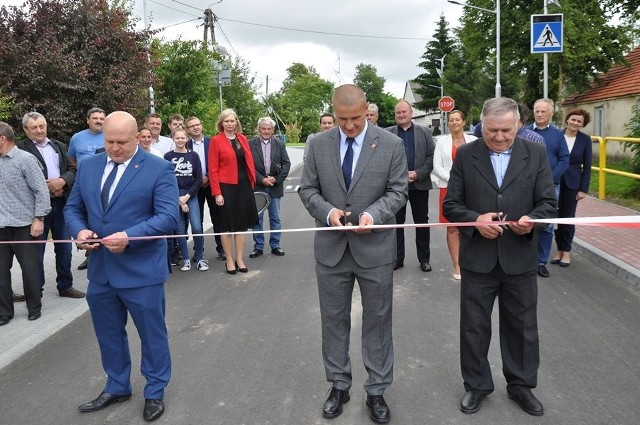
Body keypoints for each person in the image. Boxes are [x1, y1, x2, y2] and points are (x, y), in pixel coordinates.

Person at [299, 84, 408, 423]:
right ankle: (339, 384)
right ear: (333, 111)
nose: (349, 126)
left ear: (367, 110)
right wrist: (327, 212)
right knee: (333, 320)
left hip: (374, 249)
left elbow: (398, 190)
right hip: (331, 251)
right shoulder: (318, 144)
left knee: (377, 320)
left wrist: (374, 214)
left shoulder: (391, 144)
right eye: (342, 119)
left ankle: (376, 390)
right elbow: (307, 189)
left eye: (356, 118)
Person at [443, 97, 557, 417]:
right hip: (478, 258)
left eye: (507, 130)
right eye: (492, 130)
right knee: (474, 326)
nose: (499, 137)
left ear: (518, 125)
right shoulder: (467, 155)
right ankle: (476, 386)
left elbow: (548, 204)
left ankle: (521, 385)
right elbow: (452, 206)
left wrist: (532, 222)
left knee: (521, 326)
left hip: (519, 257)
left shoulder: (534, 154)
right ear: (482, 126)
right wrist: (475, 221)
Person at [64, 111, 179, 422]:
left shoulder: (158, 168)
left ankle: (155, 390)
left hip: (142, 271)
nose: (115, 148)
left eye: (122, 143)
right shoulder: (88, 165)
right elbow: (73, 207)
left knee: (151, 334)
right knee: (108, 333)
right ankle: (117, 385)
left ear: (138, 138)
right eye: (109, 141)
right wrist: (80, 231)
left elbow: (169, 217)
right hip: (101, 271)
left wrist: (130, 237)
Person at [17, 112, 85, 298]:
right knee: (36, 252)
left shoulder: (59, 146)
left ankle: (65, 286)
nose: (39, 130)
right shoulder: (20, 149)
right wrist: (47, 188)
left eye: (42, 126)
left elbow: (72, 169)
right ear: (25, 130)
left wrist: (62, 181)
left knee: (64, 248)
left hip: (61, 204)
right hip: (37, 209)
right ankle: (35, 291)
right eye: (34, 127)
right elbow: (19, 180)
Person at [0, 121, 51, 325]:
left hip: (24, 226)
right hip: (1, 226)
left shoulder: (26, 160)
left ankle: (34, 307)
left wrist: (39, 218)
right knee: (1, 271)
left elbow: (41, 191)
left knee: (29, 270)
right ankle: (4, 312)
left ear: (2, 138)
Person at [386, 100, 435, 272]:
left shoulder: (425, 132)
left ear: (411, 113)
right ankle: (397, 259)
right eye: (398, 112)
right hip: (395, 187)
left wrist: (418, 174)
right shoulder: (388, 134)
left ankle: (424, 259)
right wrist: (398, 176)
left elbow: (431, 157)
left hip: (419, 185)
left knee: (422, 222)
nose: (401, 115)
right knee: (396, 223)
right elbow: (383, 159)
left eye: (404, 112)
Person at [208, 109, 258, 274]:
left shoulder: (242, 138)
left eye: (232, 121)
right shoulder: (216, 141)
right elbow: (213, 169)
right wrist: (217, 193)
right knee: (227, 226)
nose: (230, 124)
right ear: (221, 123)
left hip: (243, 186)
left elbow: (248, 162)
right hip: (226, 187)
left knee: (241, 226)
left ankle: (240, 259)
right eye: (226, 121)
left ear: (236, 122)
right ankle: (229, 260)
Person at [431, 110, 476, 280]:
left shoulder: (474, 140)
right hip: (448, 188)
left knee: (471, 225)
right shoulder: (442, 142)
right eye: (451, 120)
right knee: (452, 228)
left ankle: (471, 263)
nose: (454, 122)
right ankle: (457, 265)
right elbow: (437, 166)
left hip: (471, 189)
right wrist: (456, 181)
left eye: (457, 119)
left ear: (463, 122)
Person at [530, 98, 569, 278]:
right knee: (525, 222)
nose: (539, 114)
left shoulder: (558, 135)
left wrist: (548, 179)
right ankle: (526, 260)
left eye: (543, 111)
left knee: (546, 226)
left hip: (550, 187)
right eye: (537, 111)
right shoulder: (524, 132)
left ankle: (540, 262)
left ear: (551, 113)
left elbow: (564, 160)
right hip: (526, 186)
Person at [552, 109, 592, 266]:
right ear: (567, 120)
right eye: (573, 119)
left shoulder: (585, 140)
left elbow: (587, 166)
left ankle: (566, 251)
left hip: (572, 184)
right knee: (554, 217)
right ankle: (558, 250)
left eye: (579, 121)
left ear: (582, 125)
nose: (575, 123)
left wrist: (583, 189)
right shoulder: (556, 135)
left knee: (567, 217)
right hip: (554, 181)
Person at [68, 107, 107, 271]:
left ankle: (97, 254)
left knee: (100, 219)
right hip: (83, 185)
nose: (98, 121)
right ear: (88, 120)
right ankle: (87, 251)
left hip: (104, 184)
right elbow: (72, 159)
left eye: (101, 118)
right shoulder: (77, 138)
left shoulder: (108, 136)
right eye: (95, 118)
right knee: (84, 218)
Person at [164, 127, 207, 272]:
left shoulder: (194, 156)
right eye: (178, 138)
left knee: (196, 226)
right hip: (174, 196)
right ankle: (186, 259)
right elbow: (167, 180)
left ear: (186, 138)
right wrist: (179, 200)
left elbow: (198, 179)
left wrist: (187, 196)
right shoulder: (168, 156)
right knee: (180, 229)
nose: (180, 140)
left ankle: (200, 258)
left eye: (183, 138)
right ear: (173, 138)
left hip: (191, 194)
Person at [249, 117, 291, 258]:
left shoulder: (279, 144)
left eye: (269, 129)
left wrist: (277, 179)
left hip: (274, 186)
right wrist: (262, 179)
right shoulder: (250, 144)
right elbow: (248, 166)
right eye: (263, 128)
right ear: (258, 129)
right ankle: (258, 247)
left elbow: (286, 164)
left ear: (272, 130)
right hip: (258, 186)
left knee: (275, 217)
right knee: (257, 218)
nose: (266, 131)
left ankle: (275, 245)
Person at [186, 115, 225, 261]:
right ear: (187, 130)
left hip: (212, 185)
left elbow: (218, 162)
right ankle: (198, 251)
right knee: (197, 221)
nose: (195, 128)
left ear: (201, 125)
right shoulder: (186, 144)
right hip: (194, 187)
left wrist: (208, 176)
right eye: (191, 126)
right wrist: (197, 181)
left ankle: (221, 248)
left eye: (197, 124)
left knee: (217, 218)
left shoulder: (212, 142)